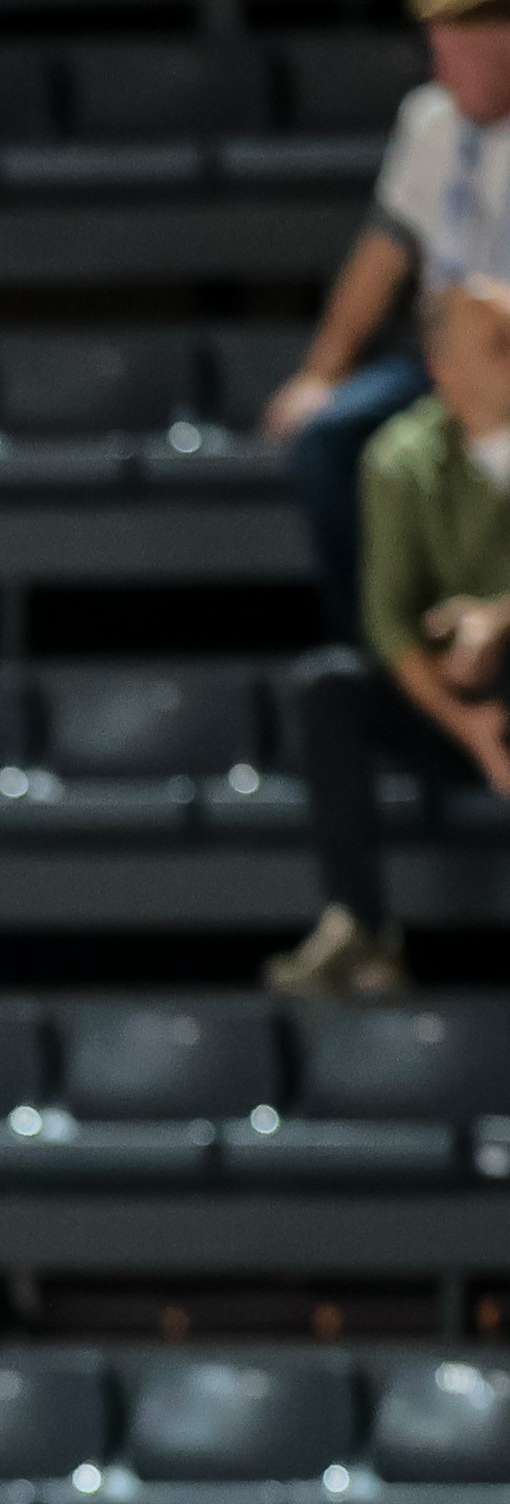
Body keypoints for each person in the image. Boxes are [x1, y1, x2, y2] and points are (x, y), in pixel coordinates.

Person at [267, 274, 510, 998]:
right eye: (500, 345)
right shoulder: (398, 458)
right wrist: (469, 726)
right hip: (448, 705)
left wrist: (498, 620)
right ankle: (361, 930)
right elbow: (387, 623)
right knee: (331, 686)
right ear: (444, 371)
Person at [263, 0, 510, 639]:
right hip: (441, 359)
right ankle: (380, 654)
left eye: (456, 44)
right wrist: (321, 372)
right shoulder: (431, 121)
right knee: (330, 437)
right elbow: (382, 255)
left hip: (506, 364)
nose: (441, 66)